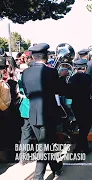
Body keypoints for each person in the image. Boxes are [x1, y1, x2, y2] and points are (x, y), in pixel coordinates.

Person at [21, 43, 63, 179]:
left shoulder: (25, 73)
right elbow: (58, 90)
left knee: (47, 143)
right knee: (44, 147)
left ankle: (56, 167)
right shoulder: (51, 72)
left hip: (33, 114)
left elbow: (27, 94)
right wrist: (61, 77)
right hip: (47, 114)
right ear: (46, 56)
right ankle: (38, 176)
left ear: (33, 57)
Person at [68, 59, 92, 154]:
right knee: (85, 127)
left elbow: (69, 93)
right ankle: (77, 149)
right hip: (86, 104)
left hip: (75, 104)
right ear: (85, 67)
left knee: (81, 126)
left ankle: (85, 148)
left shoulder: (72, 78)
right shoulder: (87, 77)